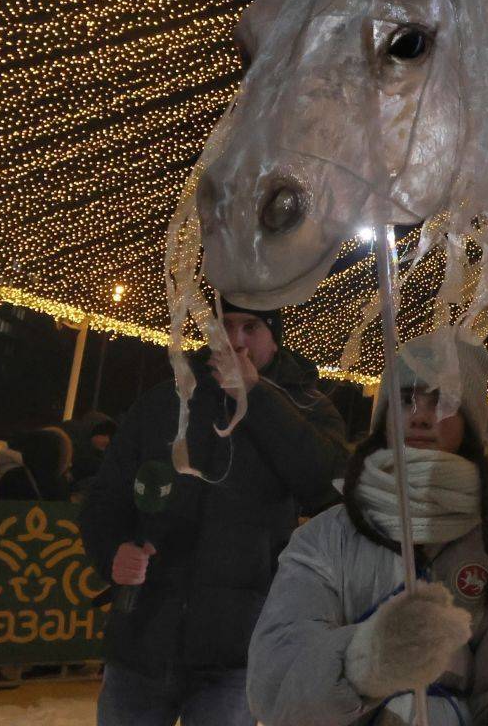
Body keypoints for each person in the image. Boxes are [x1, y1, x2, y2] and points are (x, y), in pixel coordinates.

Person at [247, 327, 488, 725]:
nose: (420, 415)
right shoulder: (327, 539)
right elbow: (275, 682)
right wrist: (366, 662)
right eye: (405, 398)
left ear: (470, 421)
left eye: (444, 401)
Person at [80, 302, 346, 726]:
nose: (236, 341)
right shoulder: (167, 400)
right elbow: (107, 495)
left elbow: (324, 484)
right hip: (145, 637)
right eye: (226, 328)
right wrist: (112, 550)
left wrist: (255, 398)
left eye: (251, 327)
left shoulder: (307, 406)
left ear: (273, 336)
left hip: (237, 648)